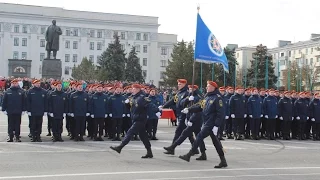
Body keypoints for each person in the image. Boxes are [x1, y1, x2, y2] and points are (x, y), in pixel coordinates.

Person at [178, 81, 227, 168]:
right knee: (216, 142)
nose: (207, 87)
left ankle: (189, 154)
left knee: (199, 136)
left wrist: (216, 125)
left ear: (213, 88)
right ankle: (223, 161)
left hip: (211, 123)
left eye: (208, 86)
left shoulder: (217, 98)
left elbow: (221, 113)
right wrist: (189, 109)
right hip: (207, 121)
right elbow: (199, 107)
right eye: (207, 86)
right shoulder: (206, 97)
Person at [110, 84, 158, 158]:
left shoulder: (142, 97)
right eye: (132, 89)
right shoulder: (133, 97)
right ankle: (149, 152)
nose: (132, 90)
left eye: (133, 89)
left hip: (140, 119)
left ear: (138, 89)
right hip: (135, 118)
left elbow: (150, 104)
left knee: (130, 132)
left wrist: (157, 111)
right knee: (143, 136)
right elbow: (130, 108)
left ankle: (120, 147)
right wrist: (126, 104)